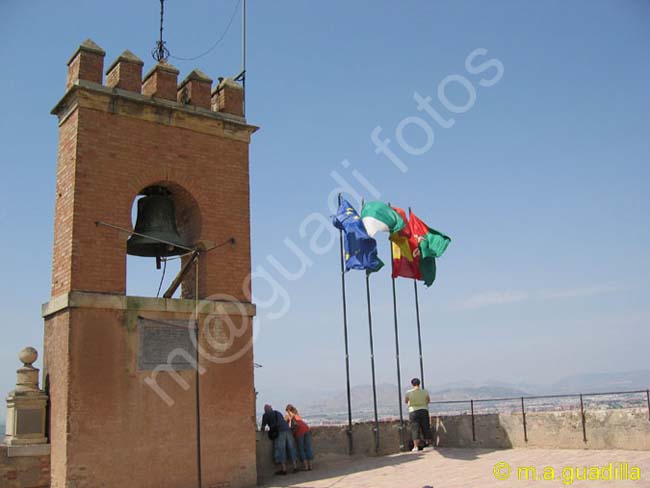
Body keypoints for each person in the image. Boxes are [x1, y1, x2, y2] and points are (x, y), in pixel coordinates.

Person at [261, 404, 298, 475]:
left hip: (279, 432)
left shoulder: (265, 415)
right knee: (291, 448)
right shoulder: (277, 412)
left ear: (265, 410)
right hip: (288, 430)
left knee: (281, 450)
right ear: (271, 408)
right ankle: (295, 467)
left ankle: (284, 469)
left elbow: (263, 427)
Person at [405, 378, 432, 452]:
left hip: (413, 411)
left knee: (415, 429)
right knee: (426, 426)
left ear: (412, 384)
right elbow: (428, 400)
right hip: (424, 410)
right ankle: (428, 444)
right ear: (419, 383)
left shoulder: (408, 392)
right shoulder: (425, 392)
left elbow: (406, 401)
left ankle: (415, 446)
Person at [285, 404, 313, 471]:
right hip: (307, 429)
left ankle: (305, 466)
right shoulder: (297, 414)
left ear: (287, 410)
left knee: (301, 449)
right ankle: (310, 466)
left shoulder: (289, 416)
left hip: (300, 432)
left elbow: (287, 424)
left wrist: (293, 433)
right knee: (308, 448)